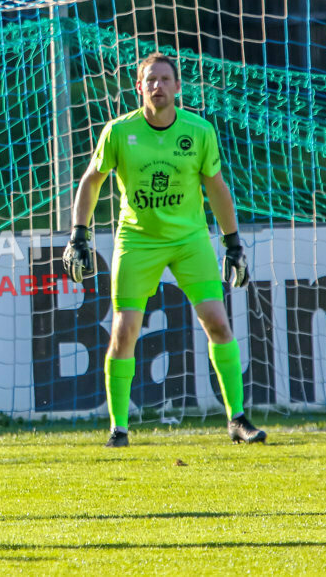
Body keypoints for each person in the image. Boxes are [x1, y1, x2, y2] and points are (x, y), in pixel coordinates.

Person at [63, 52, 266, 447]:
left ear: (177, 86)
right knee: (124, 333)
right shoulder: (119, 132)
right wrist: (78, 235)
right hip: (137, 241)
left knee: (218, 323)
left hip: (190, 241)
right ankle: (118, 430)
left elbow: (217, 188)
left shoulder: (199, 130)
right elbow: (91, 181)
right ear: (138, 87)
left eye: (164, 79)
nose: (157, 86)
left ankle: (238, 420)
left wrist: (233, 242)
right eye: (149, 80)